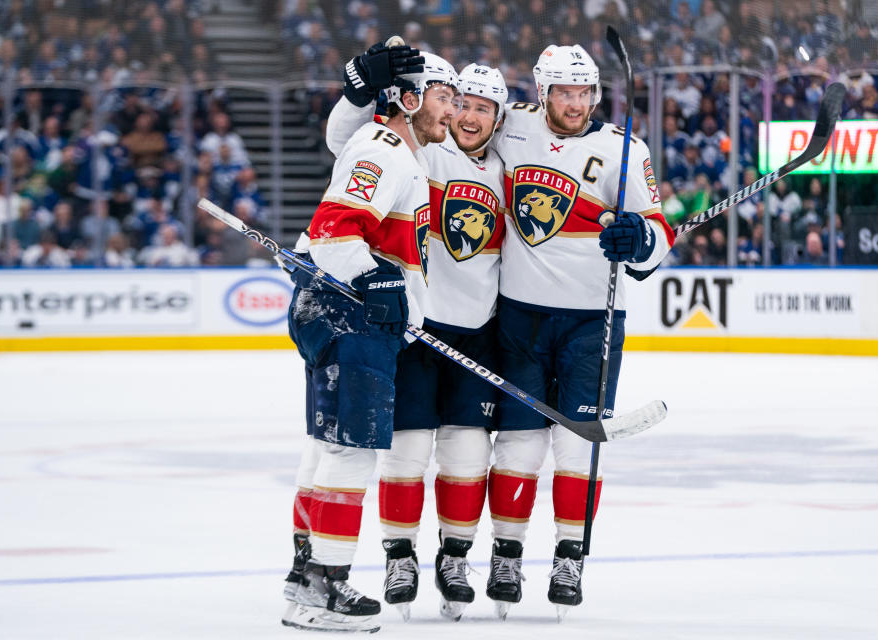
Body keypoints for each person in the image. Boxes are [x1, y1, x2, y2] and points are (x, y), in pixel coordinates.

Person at [483, 43, 673, 619]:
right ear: (543, 92)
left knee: (578, 443)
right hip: (519, 314)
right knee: (517, 440)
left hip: (593, 322)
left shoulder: (624, 148)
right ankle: (507, 554)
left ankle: (570, 556)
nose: (576, 103)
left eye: (585, 92)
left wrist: (638, 240)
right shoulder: (509, 128)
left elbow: (659, 230)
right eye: (564, 92)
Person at [279, 45, 460, 634]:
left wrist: (392, 287)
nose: (451, 111)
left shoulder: (391, 147)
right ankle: (323, 590)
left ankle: (307, 578)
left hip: (343, 315)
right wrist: (378, 278)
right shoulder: (388, 154)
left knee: (328, 446)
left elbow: (344, 139)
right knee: (349, 450)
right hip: (350, 318)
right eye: (441, 97)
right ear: (408, 100)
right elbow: (331, 236)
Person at [324, 57, 508, 622]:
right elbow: (346, 139)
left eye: (478, 106)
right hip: (414, 326)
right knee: (400, 450)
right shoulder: (421, 148)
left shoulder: (506, 162)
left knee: (468, 452)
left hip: (475, 328)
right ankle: (397, 555)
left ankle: (454, 557)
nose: (464, 114)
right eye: (456, 101)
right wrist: (360, 89)